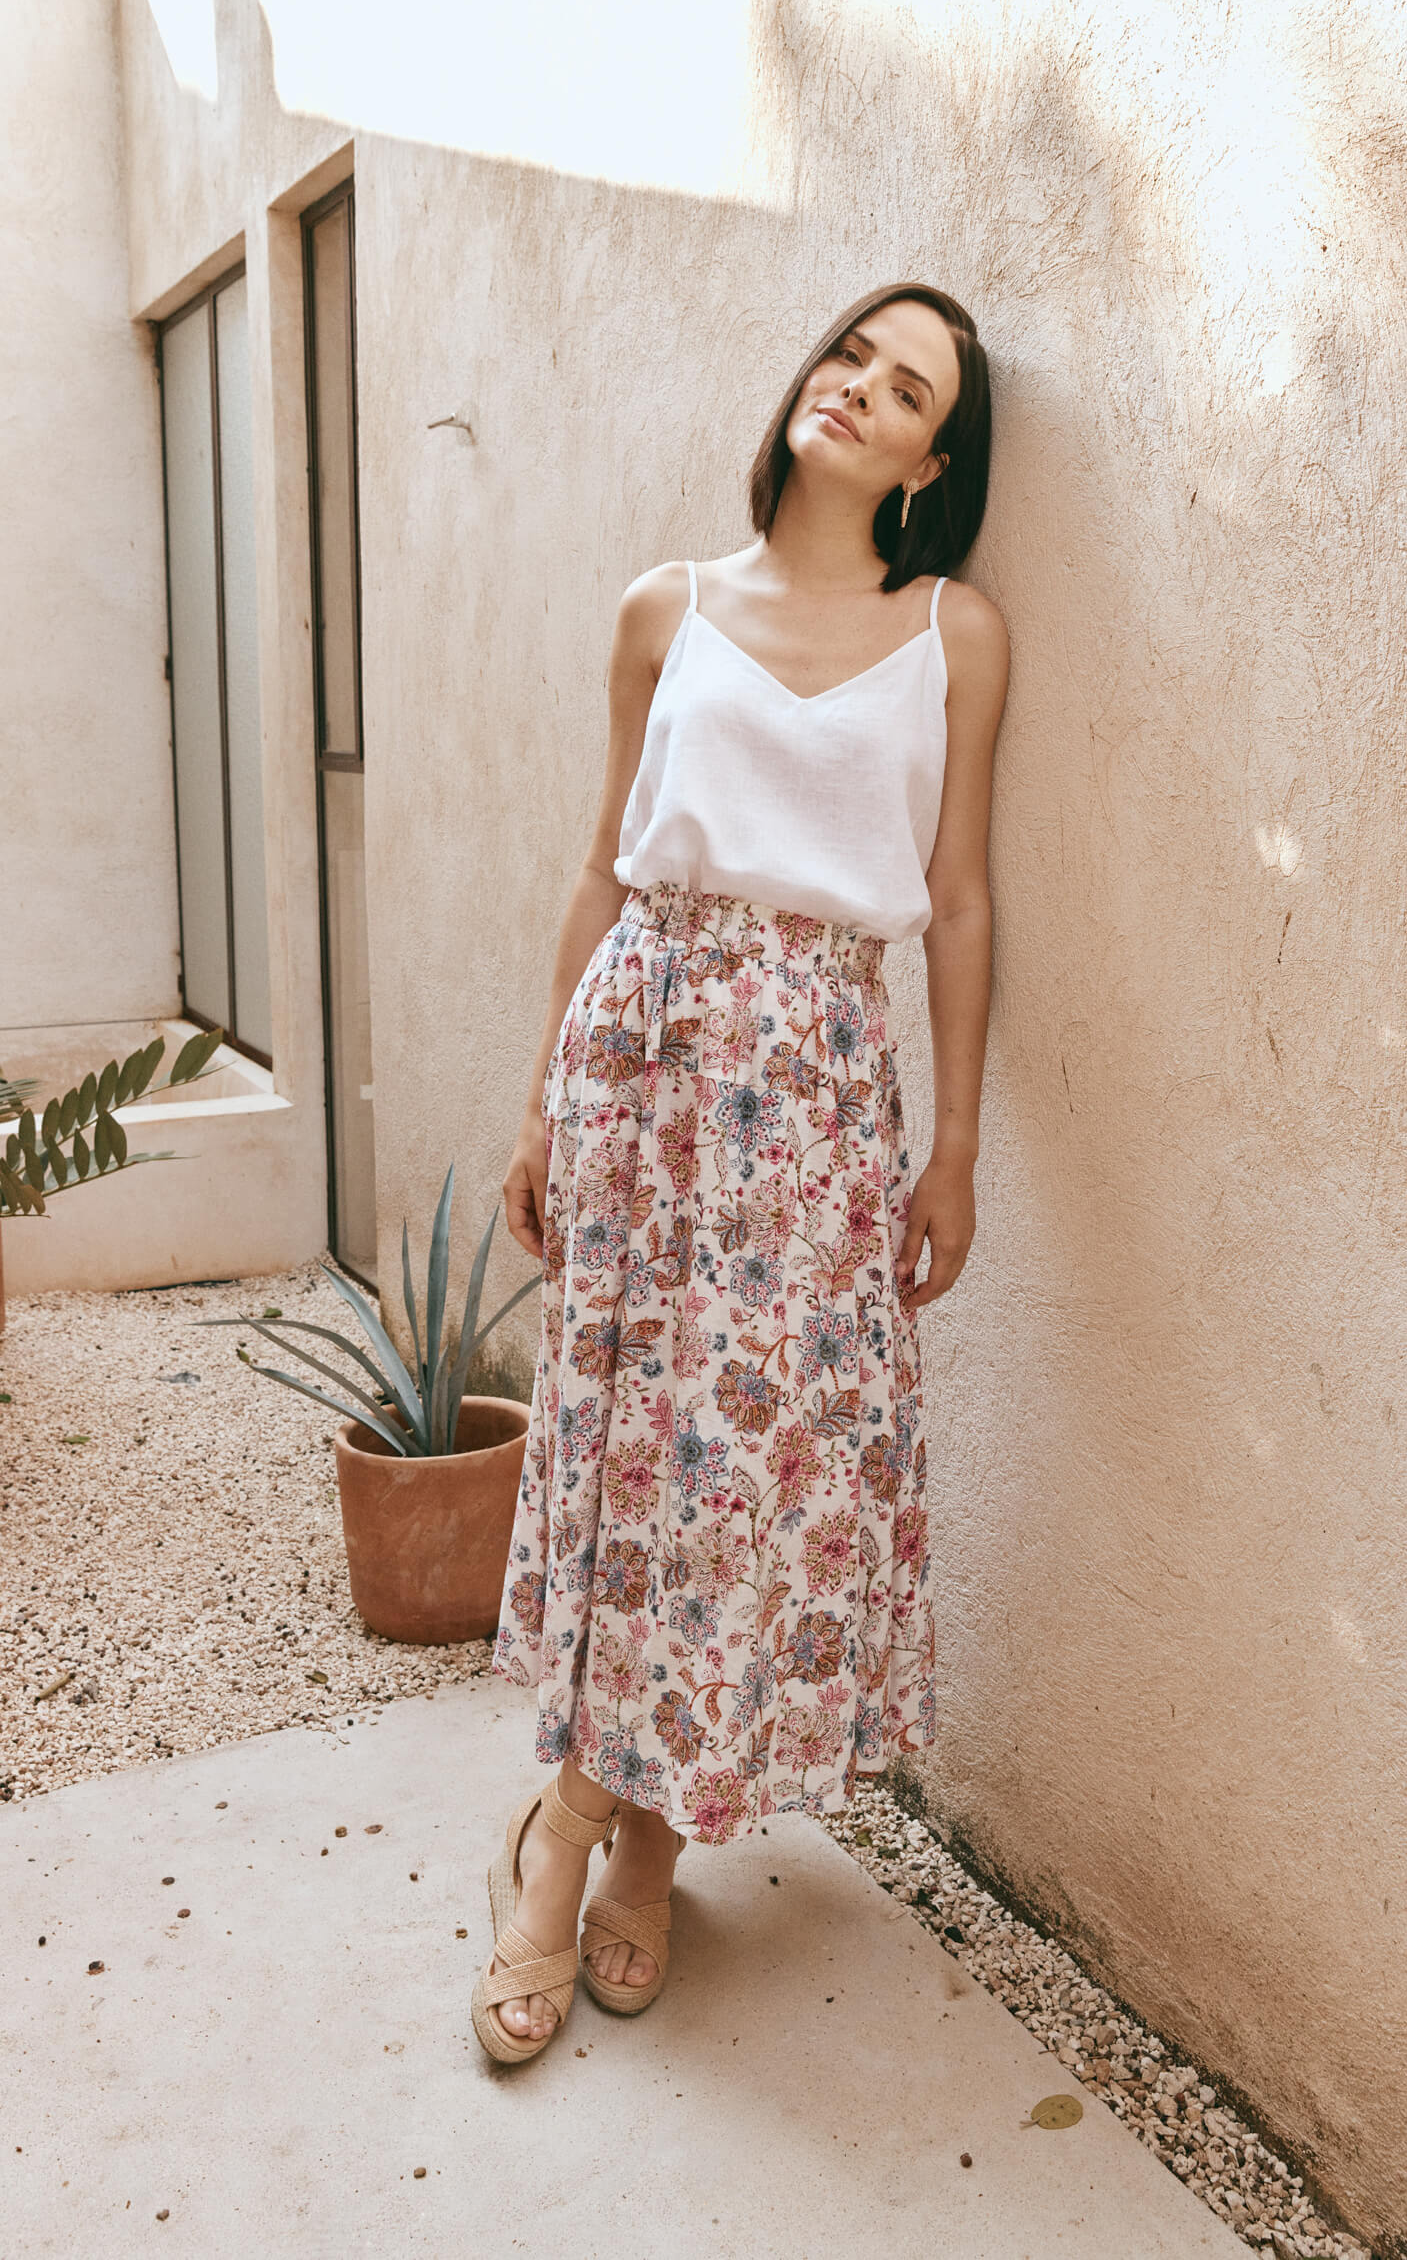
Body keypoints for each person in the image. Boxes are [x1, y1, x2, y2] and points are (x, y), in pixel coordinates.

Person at [471, 282, 1010, 2065]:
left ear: (938, 460)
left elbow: (966, 898)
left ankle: (651, 1830)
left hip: (821, 1093)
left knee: (740, 1478)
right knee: (624, 1447)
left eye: (906, 385)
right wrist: (547, 1103)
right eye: (849, 354)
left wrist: (958, 1145)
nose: (857, 388)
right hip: (648, 1052)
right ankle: (560, 1840)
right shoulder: (665, 609)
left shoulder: (956, 634)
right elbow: (602, 868)